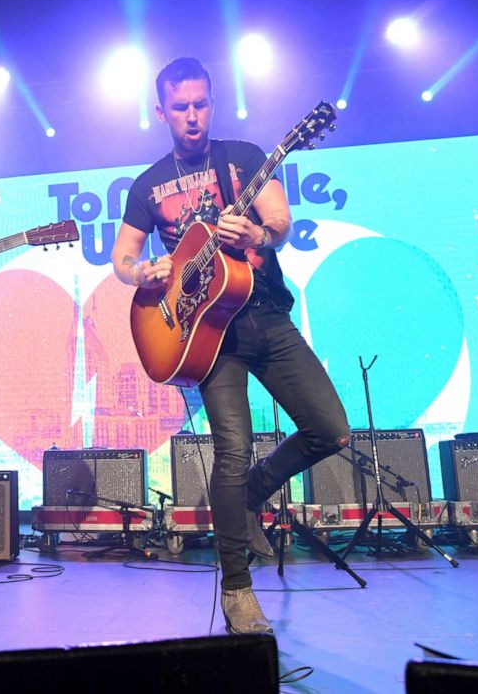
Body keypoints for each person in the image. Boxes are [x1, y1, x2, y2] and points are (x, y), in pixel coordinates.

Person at [112, 58, 350, 634]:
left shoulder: (245, 156)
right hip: (205, 334)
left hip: (265, 317)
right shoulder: (148, 185)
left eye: (200, 104)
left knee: (331, 429)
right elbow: (122, 259)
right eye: (181, 107)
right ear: (161, 111)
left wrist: (258, 234)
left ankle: (253, 493)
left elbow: (280, 221)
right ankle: (238, 588)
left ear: (211, 104)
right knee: (233, 449)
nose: (192, 116)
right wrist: (141, 272)